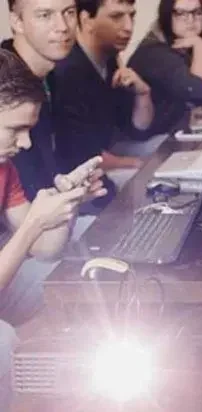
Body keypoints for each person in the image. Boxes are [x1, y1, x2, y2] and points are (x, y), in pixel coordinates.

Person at [0, 50, 107, 410]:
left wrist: (68, 204)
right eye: (16, 129)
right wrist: (33, 224)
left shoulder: (4, 168)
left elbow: (45, 250)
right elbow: (29, 233)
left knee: (85, 263)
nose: (26, 143)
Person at [52, 0, 154, 211]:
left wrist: (144, 93)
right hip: (81, 191)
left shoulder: (109, 60)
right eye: (116, 17)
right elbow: (81, 154)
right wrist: (135, 164)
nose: (128, 27)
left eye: (131, 16)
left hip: (102, 171)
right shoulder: (68, 70)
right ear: (85, 19)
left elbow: (137, 129)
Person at [1, 0, 78, 201]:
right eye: (45, 15)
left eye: (69, 12)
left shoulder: (55, 76)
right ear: (17, 21)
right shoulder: (6, 81)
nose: (63, 27)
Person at [128, 0, 202, 138]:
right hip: (147, 143)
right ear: (166, 15)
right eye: (180, 13)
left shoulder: (171, 43)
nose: (191, 20)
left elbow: (186, 78)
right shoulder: (156, 53)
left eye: (197, 12)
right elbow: (200, 94)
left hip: (168, 132)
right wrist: (199, 45)